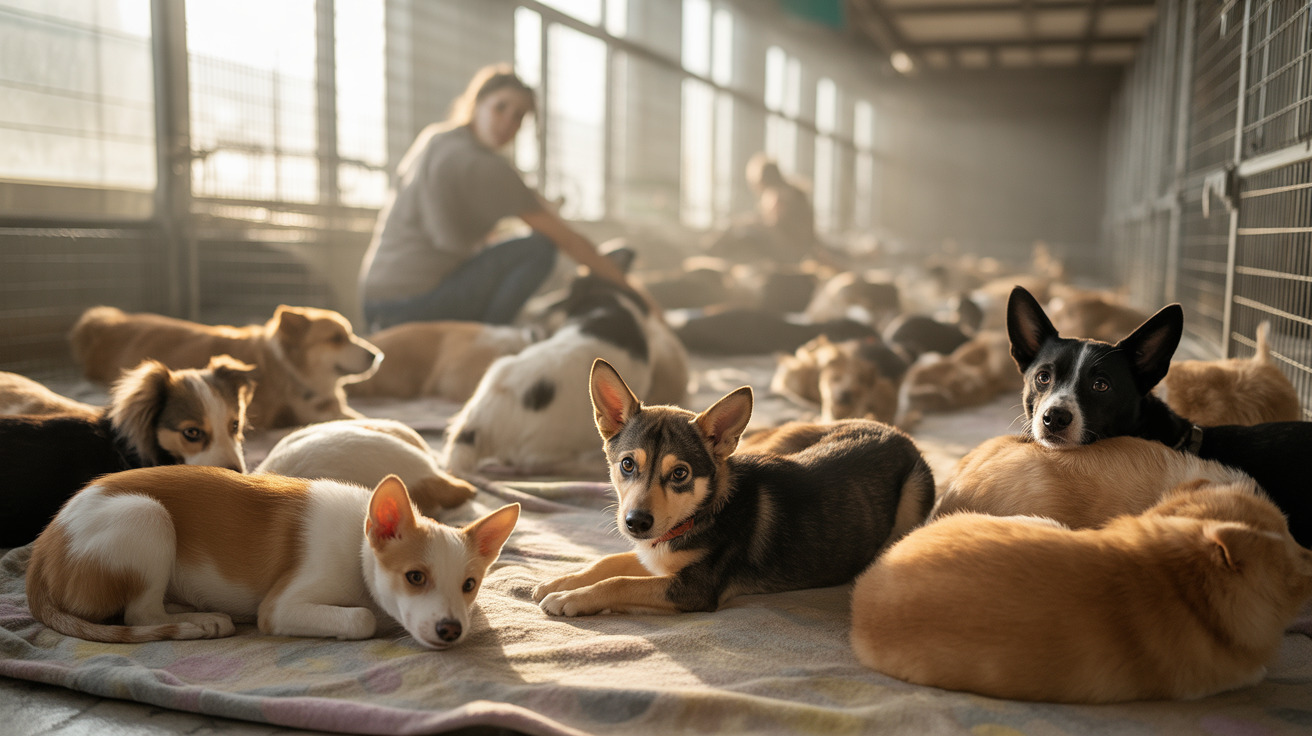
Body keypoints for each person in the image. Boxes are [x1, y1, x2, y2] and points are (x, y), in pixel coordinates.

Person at [358, 64, 636, 332]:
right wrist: (633, 293)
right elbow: (569, 240)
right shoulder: (486, 166)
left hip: (375, 305)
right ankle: (489, 337)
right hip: (412, 308)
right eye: (500, 107)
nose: (507, 122)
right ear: (476, 102)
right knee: (540, 247)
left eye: (519, 116)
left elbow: (450, 235)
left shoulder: (436, 139)